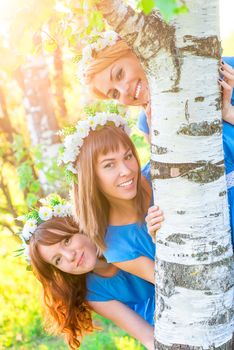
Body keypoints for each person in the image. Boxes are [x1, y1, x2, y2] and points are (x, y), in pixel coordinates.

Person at [19, 196, 156, 350]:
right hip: (164, 325)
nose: (70, 256)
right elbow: (148, 337)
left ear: (78, 226)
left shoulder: (120, 236)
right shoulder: (93, 291)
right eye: (58, 260)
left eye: (67, 241)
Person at [60, 113, 164, 285]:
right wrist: (160, 239)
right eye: (109, 165)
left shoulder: (160, 175)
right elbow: (169, 283)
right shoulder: (115, 245)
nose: (126, 170)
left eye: (128, 156)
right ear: (90, 178)